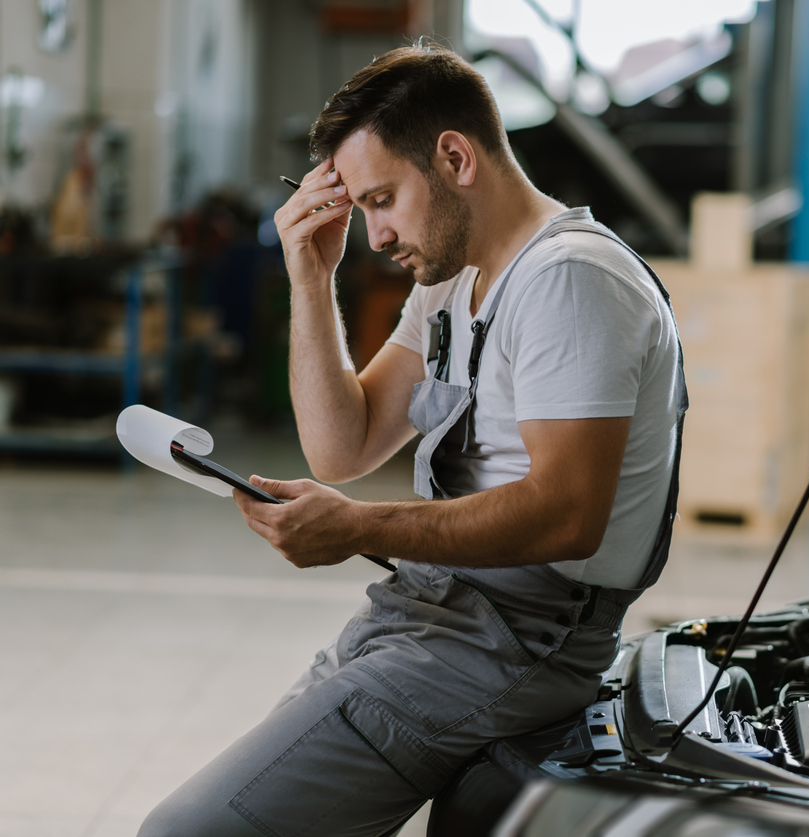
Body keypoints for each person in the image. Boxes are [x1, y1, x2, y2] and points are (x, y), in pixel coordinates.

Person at [141, 43, 685, 836]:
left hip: (516, 638)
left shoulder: (570, 279)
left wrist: (356, 525)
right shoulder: (453, 280)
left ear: (456, 157)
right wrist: (309, 277)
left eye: (383, 199)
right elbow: (343, 444)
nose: (377, 235)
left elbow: (567, 514)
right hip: (430, 608)